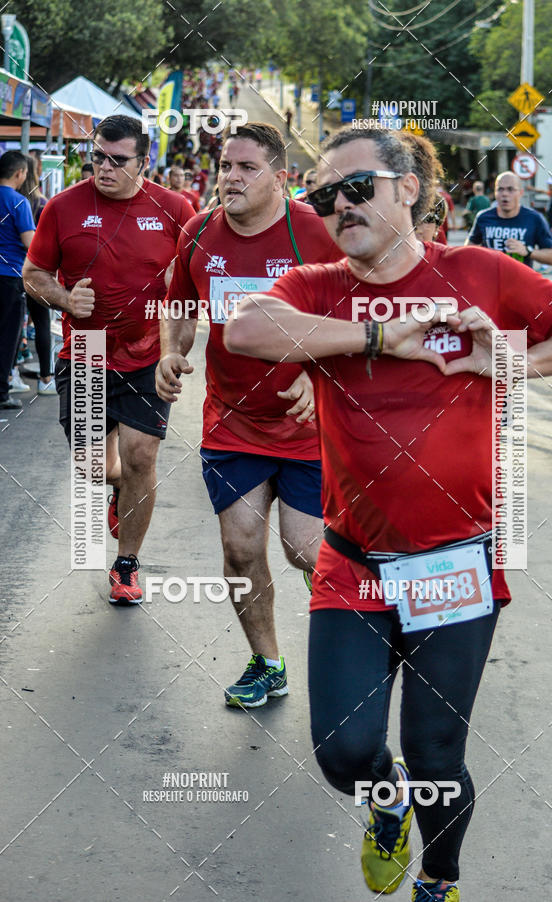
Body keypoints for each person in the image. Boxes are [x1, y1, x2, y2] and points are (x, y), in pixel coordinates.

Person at [224, 126, 552, 900]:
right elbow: (245, 328)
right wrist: (378, 336)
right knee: (342, 752)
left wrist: (516, 360)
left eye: (356, 187)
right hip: (354, 563)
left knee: (435, 754)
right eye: (324, 195)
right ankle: (386, 803)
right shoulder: (318, 286)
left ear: (409, 189)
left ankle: (438, 877)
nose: (339, 205)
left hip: (454, 567)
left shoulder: (477, 273)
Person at [156, 122, 341, 709]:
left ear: (280, 178)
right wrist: (170, 351)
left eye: (246, 168)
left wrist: (319, 372)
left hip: (310, 426)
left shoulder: (316, 232)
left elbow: (360, 308)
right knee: (239, 549)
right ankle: (268, 664)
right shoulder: (198, 232)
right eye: (225, 166)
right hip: (232, 421)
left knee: (304, 549)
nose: (230, 178)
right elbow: (180, 304)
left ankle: (351, 611)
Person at [22, 115, 194, 603]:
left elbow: (196, 280)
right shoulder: (63, 206)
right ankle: (120, 488)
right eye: (97, 156)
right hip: (86, 353)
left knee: (142, 457)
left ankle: (126, 565)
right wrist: (63, 298)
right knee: (92, 467)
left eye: (118, 159)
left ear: (144, 161)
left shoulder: (175, 209)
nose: (104, 167)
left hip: (146, 356)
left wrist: (180, 302)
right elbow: (33, 274)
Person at [0, 150, 36, 410]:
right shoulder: (18, 202)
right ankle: (2, 392)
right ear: (20, 173)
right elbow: (30, 243)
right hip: (10, 276)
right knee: (7, 336)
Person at [18, 156, 54, 395]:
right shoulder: (43, 204)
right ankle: (45, 378)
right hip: (38, 274)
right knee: (42, 324)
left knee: (12, 327)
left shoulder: (12, 201)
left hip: (11, 272)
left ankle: (11, 374)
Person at [467, 171, 552, 268]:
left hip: (520, 277)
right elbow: (468, 251)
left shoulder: (534, 218)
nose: (505, 194)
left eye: (510, 189)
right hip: (489, 277)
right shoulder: (483, 217)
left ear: (521, 193)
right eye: (500, 189)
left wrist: (527, 251)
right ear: (495, 192)